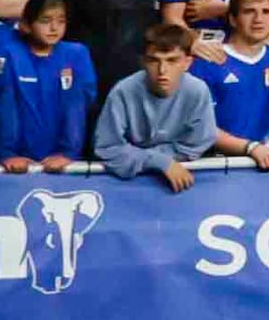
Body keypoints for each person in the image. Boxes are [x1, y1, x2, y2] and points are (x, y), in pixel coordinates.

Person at [93, 17, 220, 192]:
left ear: (187, 63)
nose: (162, 71)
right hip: (129, 184)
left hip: (184, 177)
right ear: (143, 62)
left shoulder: (197, 91)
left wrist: (143, 157)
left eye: (172, 60)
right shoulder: (123, 91)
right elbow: (107, 148)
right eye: (154, 61)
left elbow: (197, 144)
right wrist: (161, 162)